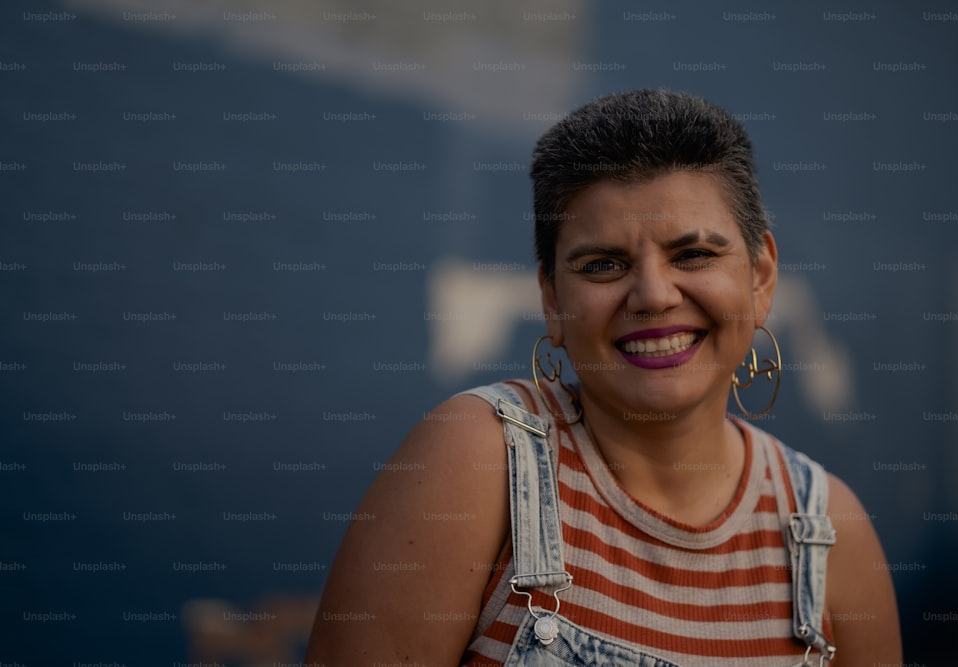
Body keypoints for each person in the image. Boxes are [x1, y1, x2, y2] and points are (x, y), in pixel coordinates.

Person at [304, 89, 902, 666]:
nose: (652, 296)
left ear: (761, 277)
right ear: (552, 302)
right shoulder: (481, 462)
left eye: (693, 255)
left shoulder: (829, 534)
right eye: (603, 265)